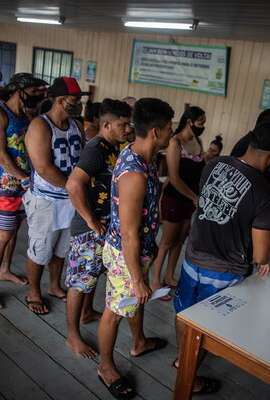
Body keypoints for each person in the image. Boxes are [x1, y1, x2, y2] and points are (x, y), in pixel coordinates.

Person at [172, 121, 270, 394]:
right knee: (208, 327)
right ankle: (187, 370)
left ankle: (182, 359)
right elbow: (262, 255)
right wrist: (268, 253)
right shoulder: (265, 193)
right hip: (224, 272)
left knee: (184, 312)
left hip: (192, 257)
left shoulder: (214, 164)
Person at [97, 98, 174, 399]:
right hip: (123, 255)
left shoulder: (145, 156)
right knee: (114, 313)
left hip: (137, 250)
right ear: (156, 131)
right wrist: (138, 278)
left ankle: (138, 343)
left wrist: (150, 243)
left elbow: (141, 220)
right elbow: (128, 234)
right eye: (169, 129)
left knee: (134, 303)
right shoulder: (134, 174)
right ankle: (105, 367)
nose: (172, 134)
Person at [65, 98, 131, 358]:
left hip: (103, 227)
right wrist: (92, 222)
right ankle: (72, 336)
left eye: (129, 123)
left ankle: (86, 312)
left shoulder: (114, 146)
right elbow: (73, 185)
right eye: (123, 124)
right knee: (80, 283)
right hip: (88, 229)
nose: (128, 129)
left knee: (93, 275)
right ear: (106, 125)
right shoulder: (96, 149)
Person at [23, 77, 88, 315]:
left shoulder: (75, 125)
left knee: (62, 247)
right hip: (47, 200)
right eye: (75, 99)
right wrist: (73, 187)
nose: (79, 104)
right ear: (61, 100)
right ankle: (33, 292)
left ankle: (53, 286)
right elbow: (43, 168)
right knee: (40, 249)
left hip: (69, 200)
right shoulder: (41, 126)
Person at [0, 72, 47, 310]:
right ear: (20, 91)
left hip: (24, 184)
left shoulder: (27, 115)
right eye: (33, 92)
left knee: (15, 229)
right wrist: (21, 177)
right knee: (3, 235)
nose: (36, 97)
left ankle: (4, 270)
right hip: (8, 186)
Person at [151, 106, 207, 297]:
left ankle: (169, 276)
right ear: (190, 122)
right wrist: (194, 198)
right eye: (200, 122)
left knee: (179, 241)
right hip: (175, 198)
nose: (203, 126)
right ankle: (155, 281)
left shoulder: (198, 141)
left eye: (204, 123)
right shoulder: (175, 143)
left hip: (191, 201)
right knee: (167, 241)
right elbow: (174, 178)